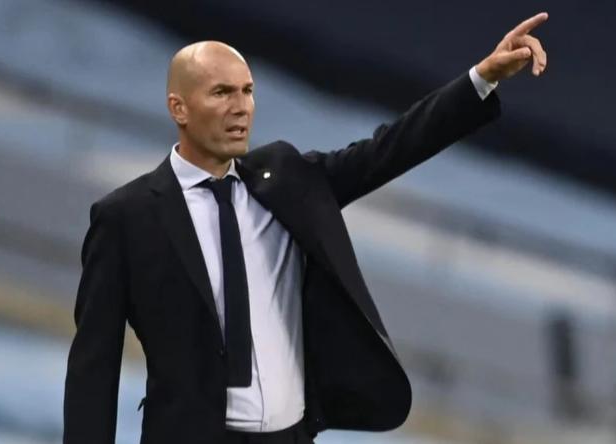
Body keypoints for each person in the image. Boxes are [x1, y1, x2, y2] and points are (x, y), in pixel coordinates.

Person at [63, 12, 548, 444]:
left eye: (248, 91)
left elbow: (389, 149)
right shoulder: (126, 216)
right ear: (179, 108)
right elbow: (93, 370)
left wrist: (482, 78)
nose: (241, 107)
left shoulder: (286, 178)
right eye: (221, 93)